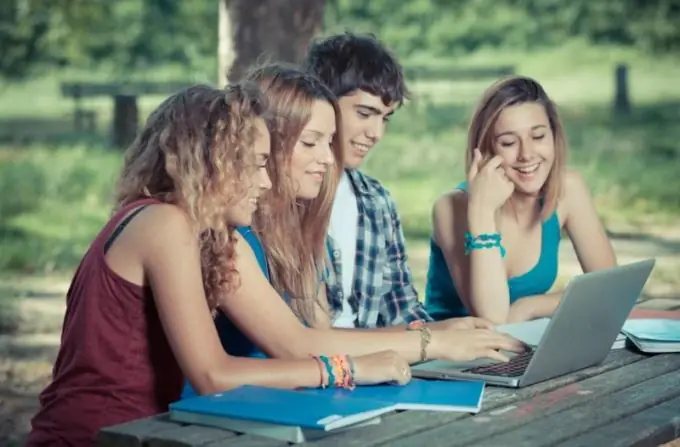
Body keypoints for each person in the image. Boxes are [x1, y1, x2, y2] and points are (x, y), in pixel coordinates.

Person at [26, 83, 409, 447]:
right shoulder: (164, 223)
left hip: (147, 431)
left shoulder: (187, 228)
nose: (265, 180)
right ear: (216, 160)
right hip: (97, 436)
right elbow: (214, 375)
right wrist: (346, 369)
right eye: (257, 164)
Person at [193, 63, 524, 385]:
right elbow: (295, 344)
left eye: (329, 141)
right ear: (269, 143)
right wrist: (432, 344)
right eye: (311, 142)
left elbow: (323, 336)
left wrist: (436, 331)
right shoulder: (231, 238)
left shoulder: (299, 227)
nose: (327, 157)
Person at [424, 76, 617, 324]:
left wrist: (531, 306)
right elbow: (493, 320)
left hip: (520, 348)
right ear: (484, 151)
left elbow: (611, 288)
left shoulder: (568, 188)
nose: (526, 155)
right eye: (508, 142)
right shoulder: (451, 208)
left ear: (554, 138)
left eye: (538, 137)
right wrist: (481, 212)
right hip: (451, 356)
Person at [300, 32, 431, 329]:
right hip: (316, 366)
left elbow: (401, 306)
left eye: (385, 118)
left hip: (377, 366)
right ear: (323, 102)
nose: (376, 133)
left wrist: (445, 335)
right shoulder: (282, 199)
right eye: (365, 113)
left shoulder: (376, 201)